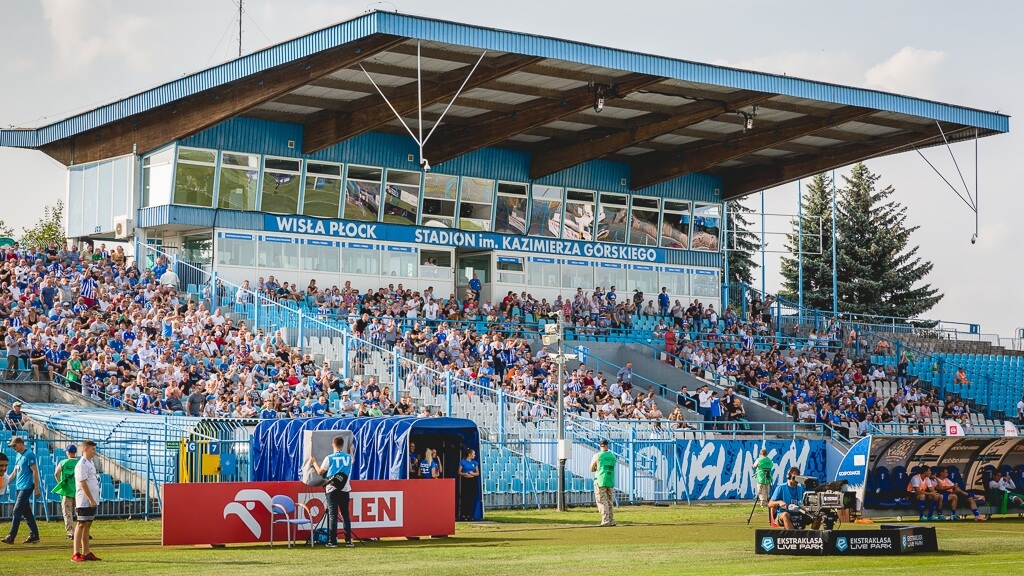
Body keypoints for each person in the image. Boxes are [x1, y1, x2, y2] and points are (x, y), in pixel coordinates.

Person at [309, 435, 354, 548]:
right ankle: (348, 540)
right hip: (345, 489)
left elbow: (320, 472)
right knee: (345, 515)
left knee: (333, 515)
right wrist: (351, 450)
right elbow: (352, 460)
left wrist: (313, 462)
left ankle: (332, 541)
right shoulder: (348, 457)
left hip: (332, 489)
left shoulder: (329, 458)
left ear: (333, 445)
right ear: (342, 446)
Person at [2, 435, 40, 544]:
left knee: (16, 510)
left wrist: (36, 488)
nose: (13, 448)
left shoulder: (29, 455)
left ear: (20, 443)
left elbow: (35, 471)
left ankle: (11, 536)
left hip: (26, 487)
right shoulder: (18, 455)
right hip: (19, 487)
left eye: (14, 445)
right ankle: (34, 535)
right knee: (26, 512)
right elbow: (14, 472)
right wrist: (5, 484)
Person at [73, 440, 100, 561]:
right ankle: (76, 553)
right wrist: (90, 499)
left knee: (88, 525)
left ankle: (86, 552)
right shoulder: (81, 464)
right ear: (85, 449)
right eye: (93, 449)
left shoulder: (90, 462)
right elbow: (83, 483)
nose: (95, 452)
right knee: (81, 524)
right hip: (84, 500)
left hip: (92, 499)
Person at [53, 444, 80, 539]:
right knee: (80, 512)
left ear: (68, 453)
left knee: (67, 512)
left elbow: (56, 473)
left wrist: (60, 483)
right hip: (78, 491)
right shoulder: (80, 462)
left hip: (66, 490)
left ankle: (71, 533)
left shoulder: (63, 462)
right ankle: (81, 531)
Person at [590, 439, 617, 527]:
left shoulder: (597, 455)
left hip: (600, 480)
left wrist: (596, 468)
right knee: (610, 501)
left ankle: (605, 520)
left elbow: (591, 469)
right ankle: (611, 520)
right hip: (610, 480)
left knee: (602, 500)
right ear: (607, 445)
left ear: (600, 445)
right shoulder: (613, 456)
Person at [457, 448, 480, 521]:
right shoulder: (462, 462)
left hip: (472, 481)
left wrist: (472, 474)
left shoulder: (475, 463)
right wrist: (465, 474)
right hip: (465, 481)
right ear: (469, 454)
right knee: (465, 498)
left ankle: (470, 515)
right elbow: (459, 472)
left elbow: (477, 473)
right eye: (473, 454)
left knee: (471, 498)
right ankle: (464, 515)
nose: (474, 455)